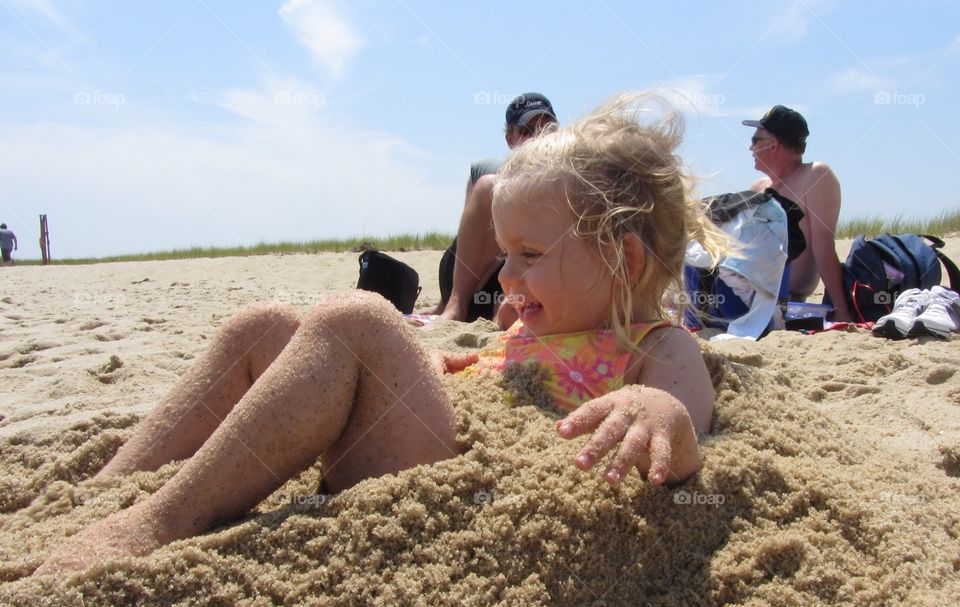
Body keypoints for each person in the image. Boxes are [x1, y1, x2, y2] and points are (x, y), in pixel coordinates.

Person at [35, 93, 726, 576]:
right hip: (429, 437)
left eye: (530, 256)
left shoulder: (659, 348)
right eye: (504, 252)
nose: (505, 274)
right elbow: (495, 374)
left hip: (454, 496)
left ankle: (153, 524)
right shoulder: (537, 321)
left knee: (356, 318)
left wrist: (658, 410)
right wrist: (462, 365)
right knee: (262, 326)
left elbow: (683, 427)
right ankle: (107, 491)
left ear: (623, 259)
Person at [437, 92, 557, 327]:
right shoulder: (493, 175)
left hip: (518, 287)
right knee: (490, 187)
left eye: (548, 129)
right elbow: (469, 240)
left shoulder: (566, 184)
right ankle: (454, 306)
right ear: (510, 138)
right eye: (527, 130)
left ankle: (450, 306)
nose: (539, 138)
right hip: (481, 282)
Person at [744, 105, 853, 321]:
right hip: (746, 294)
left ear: (773, 144)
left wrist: (841, 308)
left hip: (785, 300)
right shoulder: (758, 188)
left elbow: (823, 246)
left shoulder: (814, 176)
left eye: (755, 140)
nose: (750, 147)